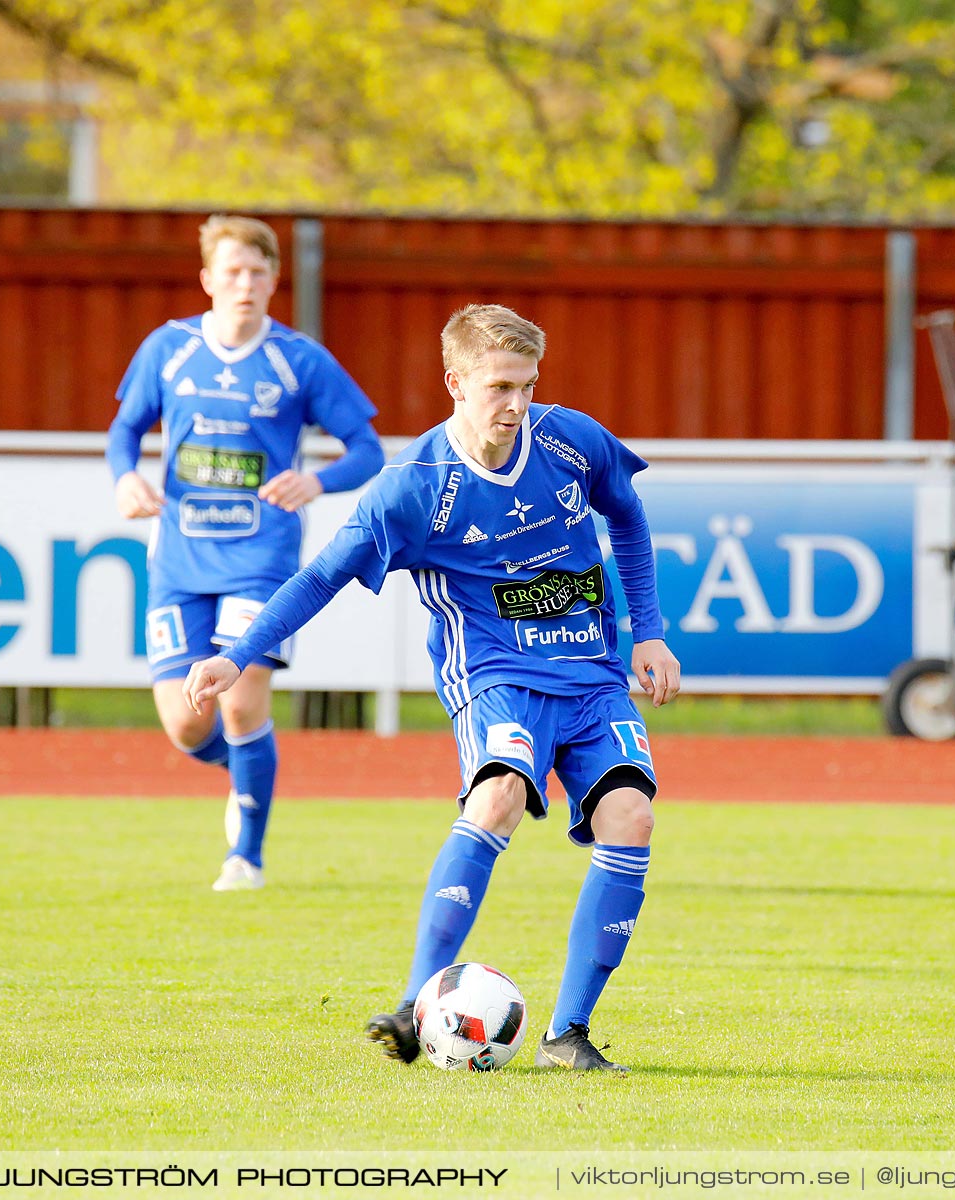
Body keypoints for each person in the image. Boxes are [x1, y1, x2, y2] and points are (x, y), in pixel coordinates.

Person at [184, 304, 681, 1070]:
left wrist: (647, 628)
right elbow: (322, 576)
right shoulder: (411, 488)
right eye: (499, 386)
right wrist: (240, 654)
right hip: (494, 676)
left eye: (527, 385)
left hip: (591, 673)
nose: (516, 404)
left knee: (633, 817)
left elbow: (631, 521)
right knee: (497, 798)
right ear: (455, 381)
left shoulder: (571, 440)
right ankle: (417, 1005)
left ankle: (567, 1036)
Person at [108, 214, 385, 891]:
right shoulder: (169, 348)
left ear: (274, 280)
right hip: (178, 556)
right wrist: (125, 477)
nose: (246, 283)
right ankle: (247, 773)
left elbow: (369, 450)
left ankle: (246, 859)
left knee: (238, 700)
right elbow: (124, 428)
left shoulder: (298, 359)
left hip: (262, 556)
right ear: (207, 280)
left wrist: (316, 479)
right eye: (232, 271)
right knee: (183, 724)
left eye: (259, 272)